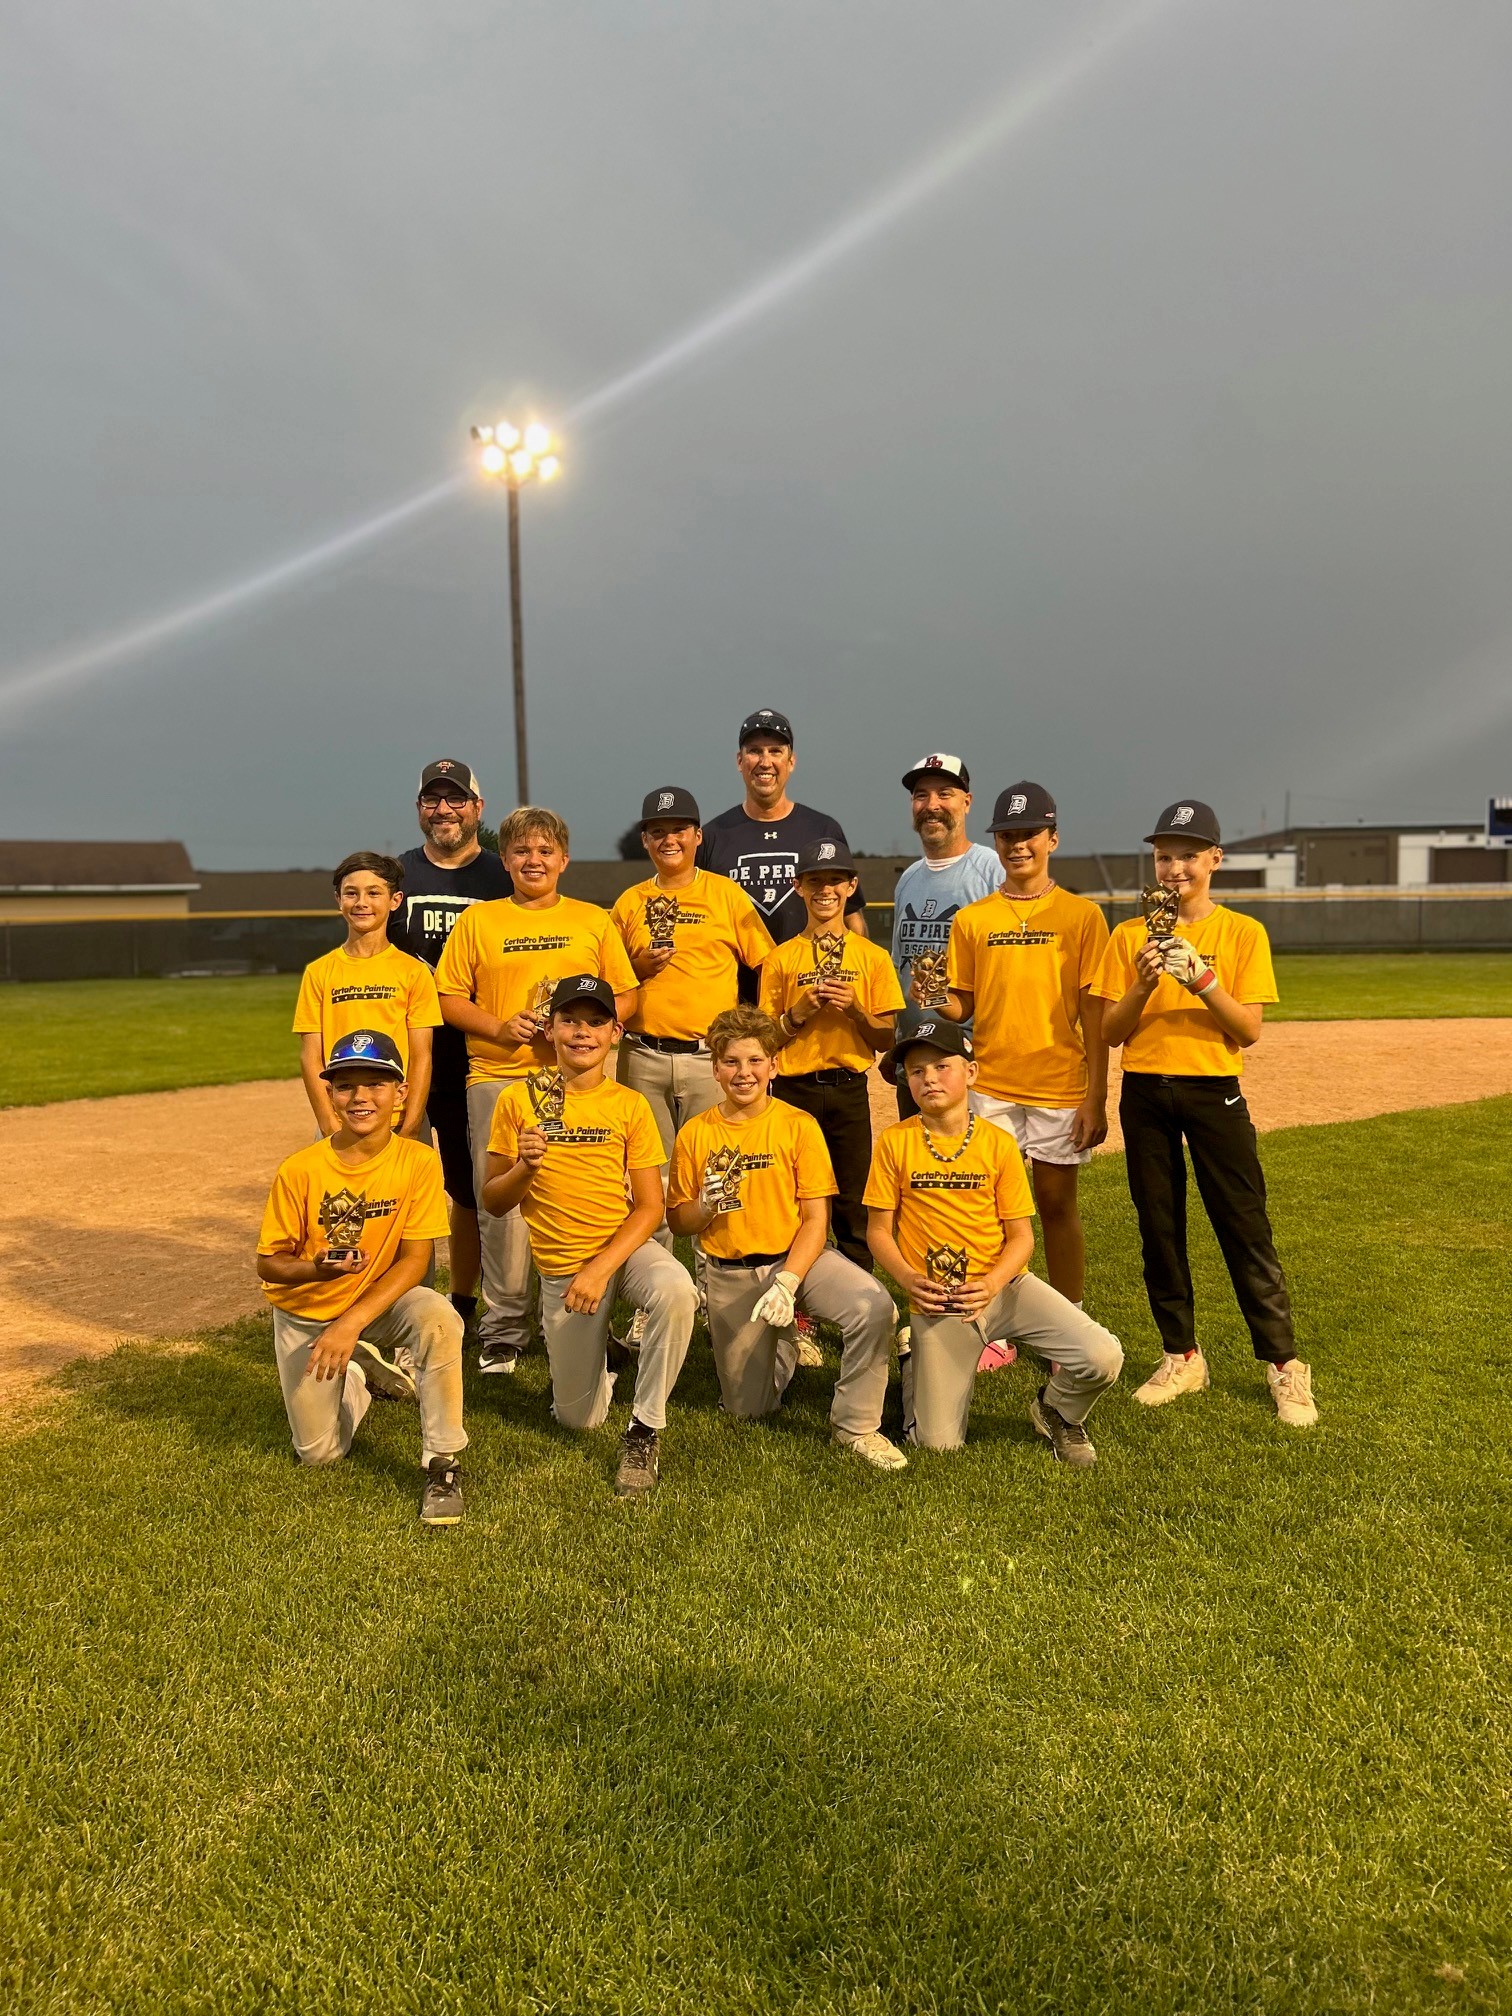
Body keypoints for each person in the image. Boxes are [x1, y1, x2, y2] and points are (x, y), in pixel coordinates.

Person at [1093, 800, 1317, 1427]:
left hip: (1214, 1090)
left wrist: (1202, 979)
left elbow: (1248, 1030)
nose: (1175, 868)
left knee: (1243, 1226)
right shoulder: (1129, 935)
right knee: (1159, 1228)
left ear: (1215, 859)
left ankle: (1283, 1364)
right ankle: (1182, 1356)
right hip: (1145, 1091)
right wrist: (1143, 983)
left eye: (1188, 855)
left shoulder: (1242, 932)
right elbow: (1110, 1031)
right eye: (1164, 856)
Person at [865, 1010, 1123, 1463]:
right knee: (938, 1446)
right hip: (941, 1302)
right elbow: (878, 1231)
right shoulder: (894, 1142)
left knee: (1102, 1355)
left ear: (971, 1072)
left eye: (941, 1066)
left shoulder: (999, 1143)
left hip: (1006, 1287)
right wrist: (908, 1279)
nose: (929, 1079)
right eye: (916, 1071)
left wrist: (990, 1284)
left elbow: (1022, 1238)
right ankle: (915, 1363)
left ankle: (1057, 1409)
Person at [435, 807, 638, 1376]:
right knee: (502, 1203)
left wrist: (581, 1029)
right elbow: (447, 998)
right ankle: (504, 1328)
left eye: (545, 851)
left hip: (577, 1080)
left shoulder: (592, 920)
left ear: (564, 860)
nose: (534, 860)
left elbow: (626, 996)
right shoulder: (479, 921)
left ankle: (580, 1315)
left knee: (578, 1194)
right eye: (522, 850)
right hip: (499, 1074)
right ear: (505, 859)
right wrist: (501, 1027)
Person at [481, 976, 697, 1498]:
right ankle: (605, 1357)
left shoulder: (628, 1104)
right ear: (549, 1030)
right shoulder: (517, 1099)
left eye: (596, 1022)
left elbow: (650, 1207)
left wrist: (601, 1269)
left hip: (622, 1251)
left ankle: (644, 1430)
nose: (583, 1032)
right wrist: (525, 1167)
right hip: (563, 1267)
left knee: (677, 1290)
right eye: (570, 1021)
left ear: (615, 1033)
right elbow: (493, 1200)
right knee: (578, 1419)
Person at [667, 1006, 906, 1471]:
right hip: (732, 1270)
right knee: (747, 1410)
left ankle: (856, 1426)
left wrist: (788, 1282)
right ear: (715, 1069)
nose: (744, 1073)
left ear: (773, 1066)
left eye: (755, 1061)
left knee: (874, 1307)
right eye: (731, 1062)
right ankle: (783, 1345)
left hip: (802, 1259)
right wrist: (705, 1207)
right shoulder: (696, 1133)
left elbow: (817, 1219)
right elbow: (679, 1222)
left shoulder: (797, 1124)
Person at [255, 1030, 467, 1525]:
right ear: (329, 1093)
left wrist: (350, 1325)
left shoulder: (418, 1160)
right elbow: (268, 1264)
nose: (361, 1097)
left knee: (439, 1318)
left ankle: (442, 1464)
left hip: (375, 1302)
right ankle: (357, 1374)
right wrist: (316, 1268)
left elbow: (416, 1261)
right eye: (347, 1085)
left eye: (376, 1083)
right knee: (318, 1454)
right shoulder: (300, 1169)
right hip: (308, 1312)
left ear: (401, 1093)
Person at [930, 781, 1110, 1329]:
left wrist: (1097, 1097)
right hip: (991, 1083)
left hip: (1059, 1082)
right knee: (990, 1209)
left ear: (1052, 838)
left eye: (1029, 833)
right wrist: (934, 997)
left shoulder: (1082, 915)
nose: (1018, 845)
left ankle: (1070, 1321)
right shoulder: (973, 919)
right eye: (1007, 836)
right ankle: (994, 1320)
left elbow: (1095, 1015)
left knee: (1055, 1204)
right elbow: (963, 1005)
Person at [389, 759, 513, 1336]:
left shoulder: (502, 875)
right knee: (402, 1185)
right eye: (432, 800)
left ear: (477, 808)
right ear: (419, 809)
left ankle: (465, 1298)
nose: (444, 810)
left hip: (481, 1056)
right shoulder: (398, 876)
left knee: (472, 1187)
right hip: (413, 1056)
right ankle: (406, 1303)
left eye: (455, 798)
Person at [758, 839, 903, 1270]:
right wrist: (795, 1016)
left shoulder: (872, 957)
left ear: (851, 886)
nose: (826, 890)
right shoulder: (780, 958)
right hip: (793, 1091)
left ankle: (859, 1296)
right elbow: (763, 1042)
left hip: (848, 1090)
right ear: (798, 886)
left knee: (853, 1203)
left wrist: (856, 1010)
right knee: (794, 1198)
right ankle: (794, 1294)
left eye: (836, 880)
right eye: (815, 880)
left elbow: (886, 1039)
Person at [610, 785, 775, 1164]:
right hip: (643, 1056)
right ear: (645, 840)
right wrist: (637, 969)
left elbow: (769, 966)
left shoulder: (726, 894)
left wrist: (759, 1034)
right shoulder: (630, 902)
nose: (669, 840)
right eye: (658, 831)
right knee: (652, 1171)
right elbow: (607, 979)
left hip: (711, 1057)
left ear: (697, 836)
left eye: (679, 830)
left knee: (714, 1170)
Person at [697, 710, 868, 990]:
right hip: (734, 998)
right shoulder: (713, 836)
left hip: (811, 992)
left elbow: (852, 918)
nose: (765, 762)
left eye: (775, 751)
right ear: (740, 761)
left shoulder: (822, 830)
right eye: (754, 751)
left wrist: (858, 985)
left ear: (791, 761)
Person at [293, 852, 440, 1140]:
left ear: (395, 900)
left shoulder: (413, 972)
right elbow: (311, 1057)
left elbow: (421, 1055)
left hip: (399, 1119)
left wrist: (411, 1126)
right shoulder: (319, 972)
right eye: (351, 893)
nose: (361, 902)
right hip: (342, 1119)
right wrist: (329, 1124)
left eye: (374, 893)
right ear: (338, 899)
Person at [889, 753, 1001, 1119]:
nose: (931, 805)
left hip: (970, 1064)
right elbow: (900, 968)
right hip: (915, 1061)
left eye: (944, 794)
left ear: (967, 802)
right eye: (921, 795)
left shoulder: (993, 871)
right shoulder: (908, 879)